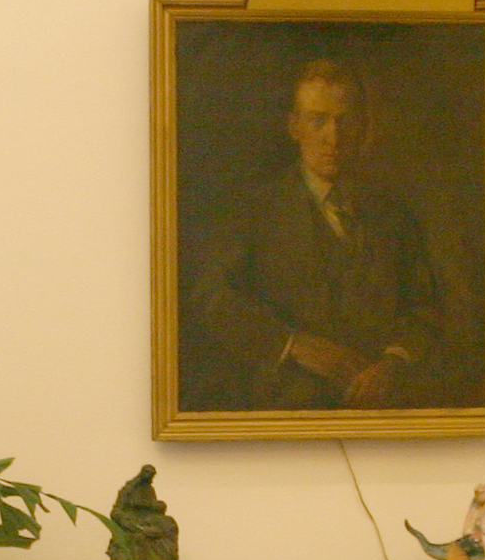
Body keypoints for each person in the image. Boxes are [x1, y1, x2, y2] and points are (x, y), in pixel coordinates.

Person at [184, 59, 457, 411]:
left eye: (345, 121)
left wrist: (394, 362)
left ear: (363, 127)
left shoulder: (392, 216)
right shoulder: (254, 210)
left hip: (383, 409)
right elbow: (211, 297)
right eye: (318, 120)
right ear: (294, 127)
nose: (334, 137)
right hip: (281, 410)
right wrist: (293, 344)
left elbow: (425, 309)